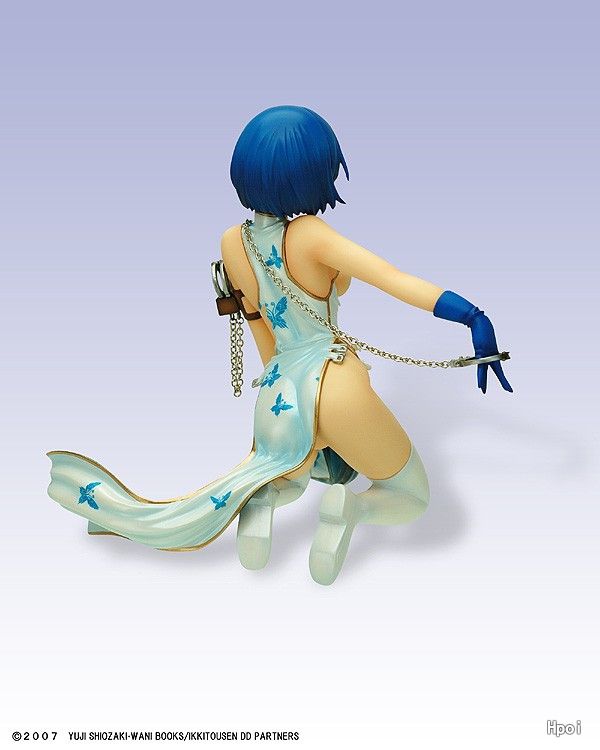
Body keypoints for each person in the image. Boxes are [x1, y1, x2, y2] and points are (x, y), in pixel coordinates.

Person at [47, 105, 512, 584]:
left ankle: (264, 502)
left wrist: (287, 390)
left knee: (287, 472)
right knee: (410, 495)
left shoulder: (232, 242)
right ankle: (352, 511)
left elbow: (259, 325)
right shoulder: (310, 234)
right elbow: (391, 278)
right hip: (334, 377)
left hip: (279, 389)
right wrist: (472, 316)